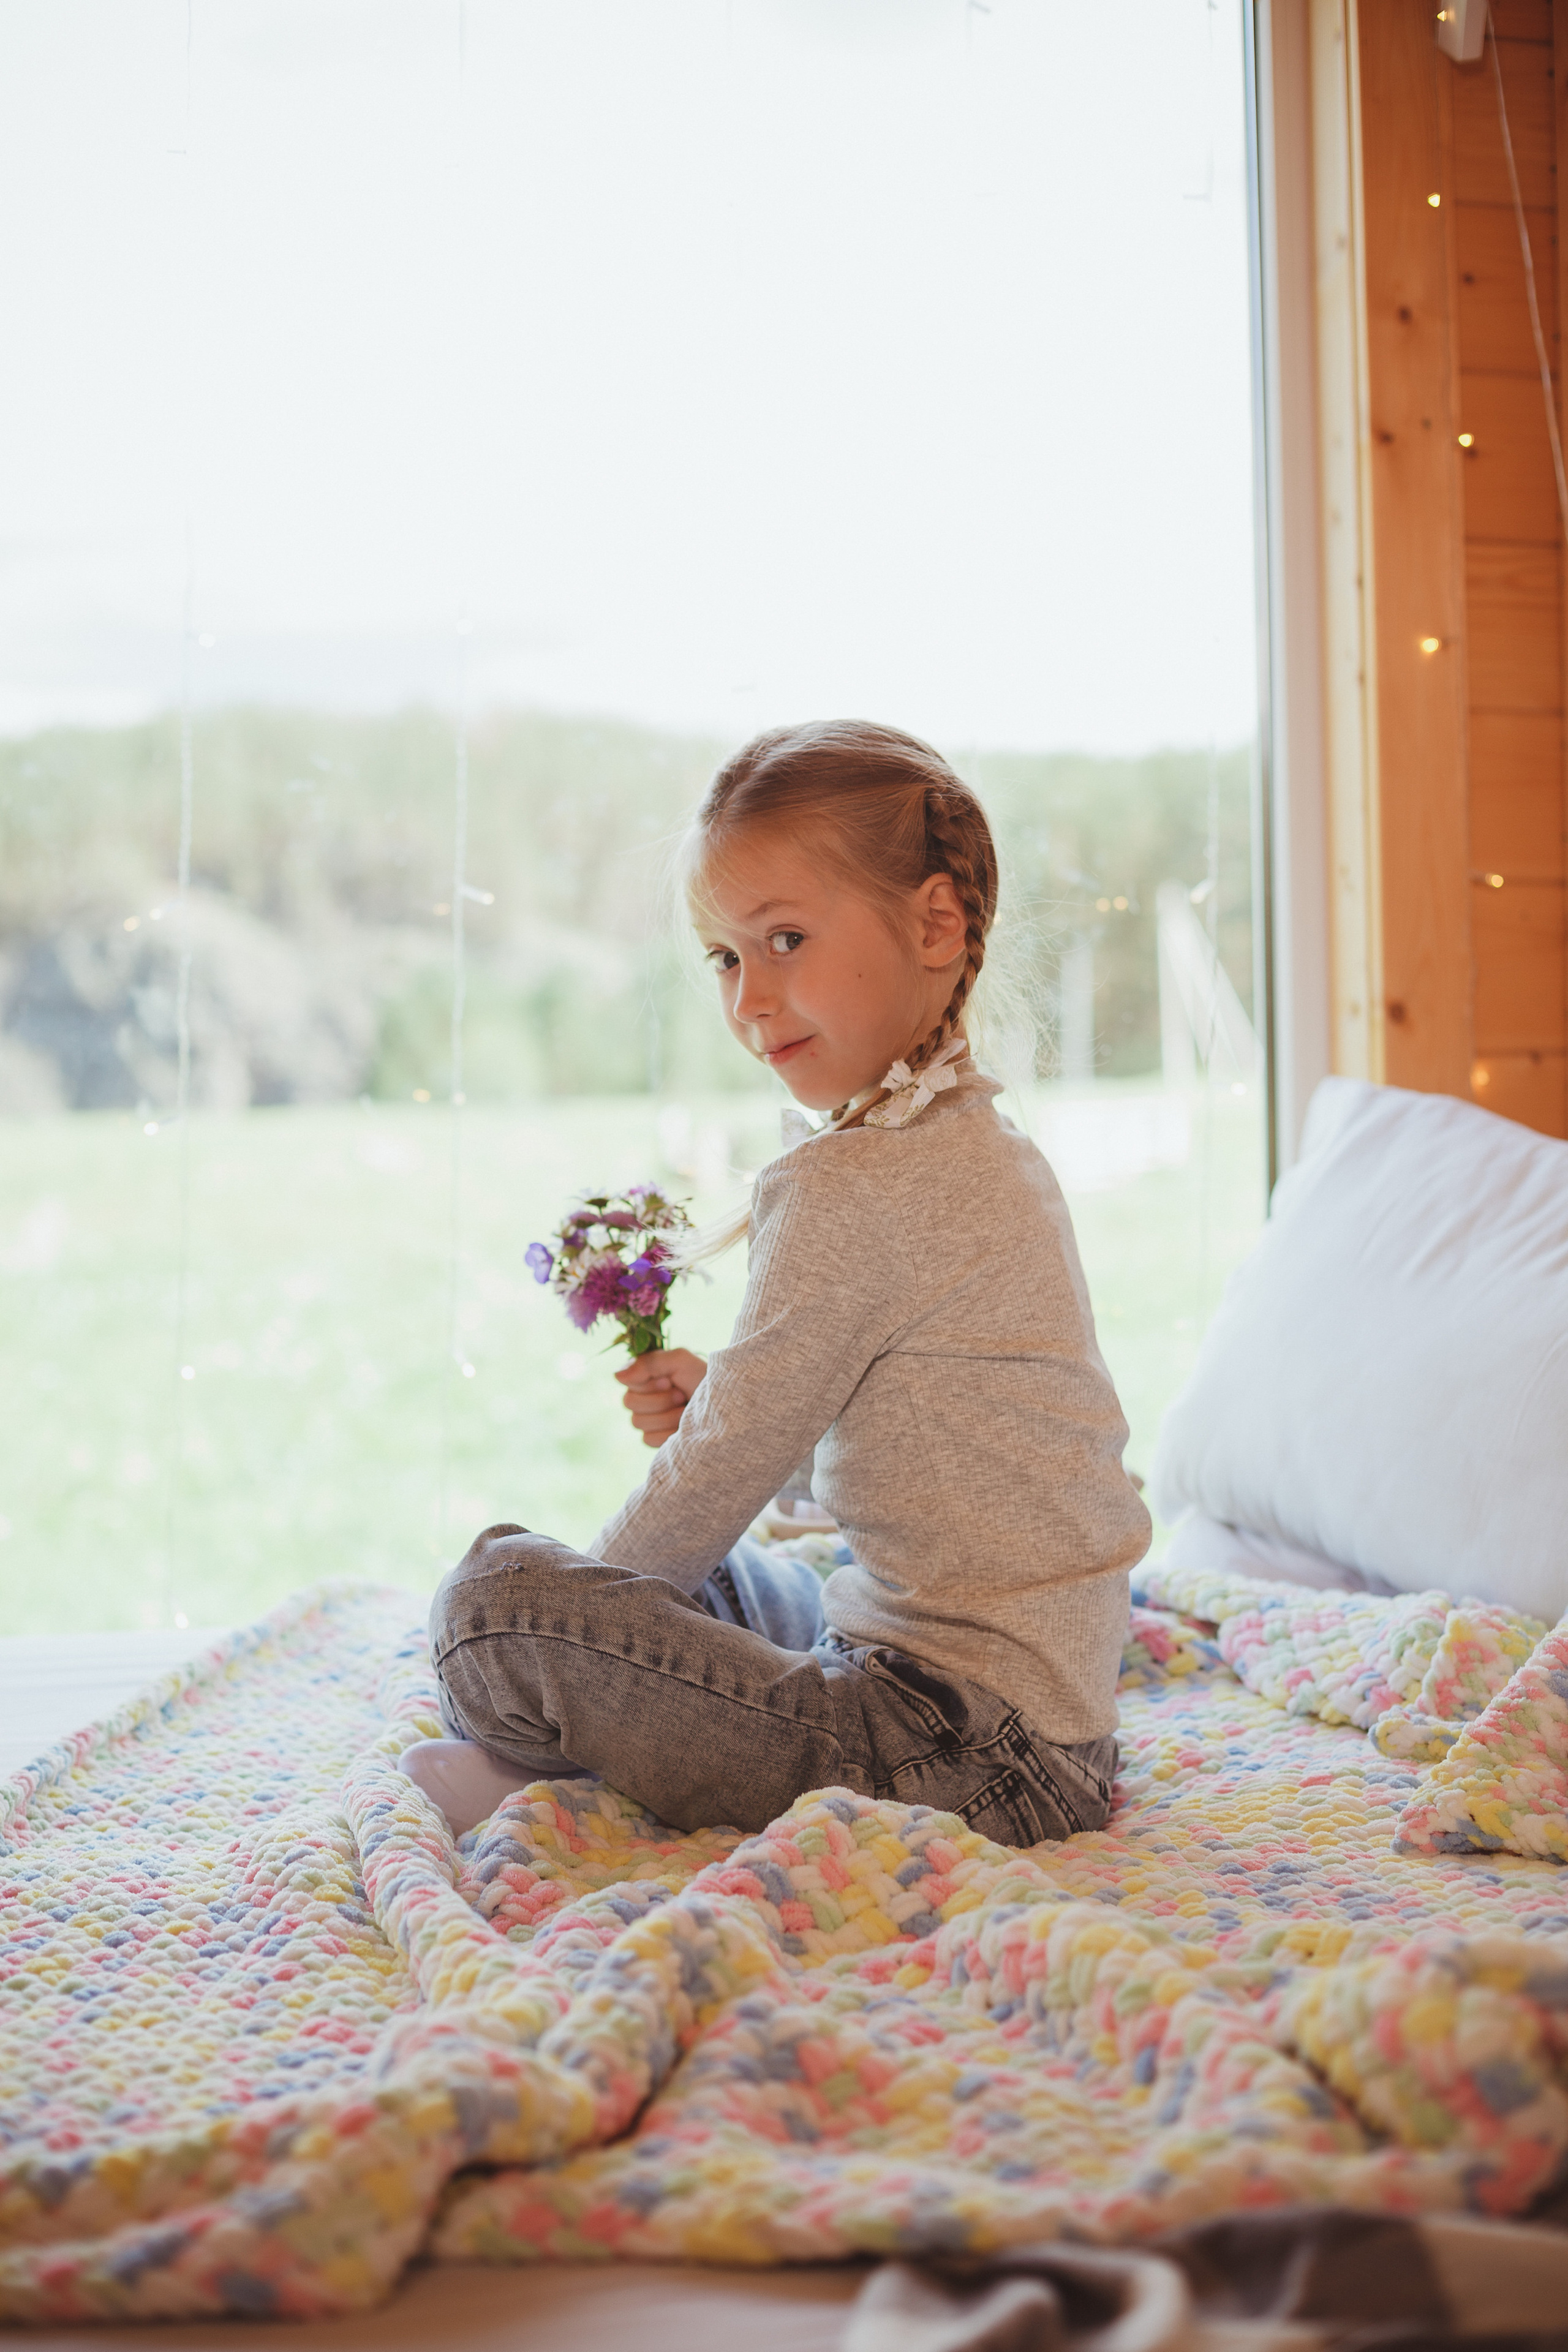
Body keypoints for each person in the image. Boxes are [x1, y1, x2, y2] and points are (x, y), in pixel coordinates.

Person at [402, 720, 1150, 1844]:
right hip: (1049, 1733)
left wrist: (572, 1628)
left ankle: (548, 1766)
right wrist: (727, 1398)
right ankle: (601, 1733)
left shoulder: (850, 1181)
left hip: (959, 1756)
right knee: (732, 1590)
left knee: (491, 1607)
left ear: (935, 925)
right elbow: (929, 1453)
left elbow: (706, 1485)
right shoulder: (988, 1144)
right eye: (725, 958)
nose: (749, 998)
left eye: (785, 940)